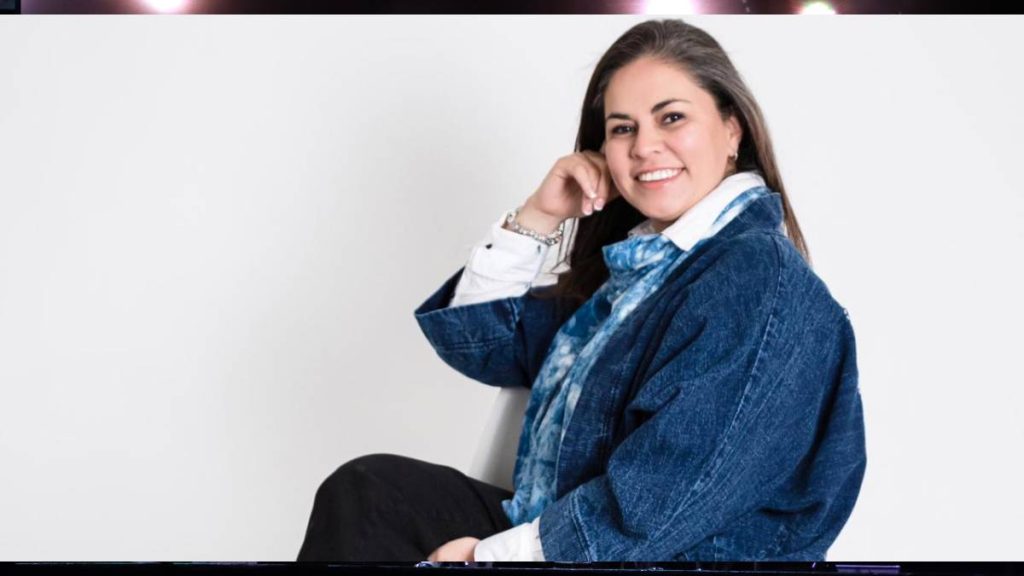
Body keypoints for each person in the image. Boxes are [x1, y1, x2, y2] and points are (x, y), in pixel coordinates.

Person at [297, 18, 866, 562]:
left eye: (671, 118)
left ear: (732, 130)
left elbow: (664, 500)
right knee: (372, 495)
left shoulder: (755, 278)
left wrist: (491, 556)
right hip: (577, 532)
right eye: (623, 128)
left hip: (661, 557)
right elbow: (482, 344)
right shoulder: (645, 275)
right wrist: (539, 215)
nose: (644, 147)